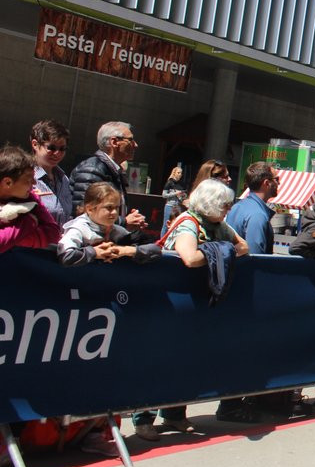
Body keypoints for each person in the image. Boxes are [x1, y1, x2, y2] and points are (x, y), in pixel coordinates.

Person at [134, 179, 251, 438]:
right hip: (170, 302)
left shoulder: (219, 225)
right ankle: (143, 418)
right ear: (209, 204)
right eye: (224, 205)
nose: (228, 210)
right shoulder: (189, 223)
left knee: (185, 360)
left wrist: (220, 249)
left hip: (197, 303)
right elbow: (190, 257)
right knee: (159, 360)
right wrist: (219, 250)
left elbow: (243, 246)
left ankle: (174, 414)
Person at [57, 183, 161, 266]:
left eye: (117, 208)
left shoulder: (118, 231)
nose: (115, 213)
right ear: (90, 208)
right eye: (109, 208)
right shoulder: (78, 229)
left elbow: (156, 251)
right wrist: (95, 252)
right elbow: (66, 256)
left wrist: (124, 250)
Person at [69, 121, 146, 229]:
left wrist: (131, 219)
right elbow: (85, 212)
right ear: (114, 142)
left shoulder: (114, 170)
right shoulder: (92, 170)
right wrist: (124, 222)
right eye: (130, 140)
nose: (135, 145)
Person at [0, 146, 62, 253]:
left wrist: (11, 241)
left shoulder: (30, 198)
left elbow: (53, 233)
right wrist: (30, 221)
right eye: (28, 179)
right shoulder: (29, 219)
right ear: (8, 183)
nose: (34, 183)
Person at [226, 162, 279, 255]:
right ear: (267, 183)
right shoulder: (258, 215)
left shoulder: (236, 207)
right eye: (276, 179)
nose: (279, 183)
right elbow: (255, 257)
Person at [30, 119, 73, 225]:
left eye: (62, 149)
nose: (57, 153)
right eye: (51, 148)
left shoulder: (64, 179)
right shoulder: (25, 178)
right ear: (35, 144)